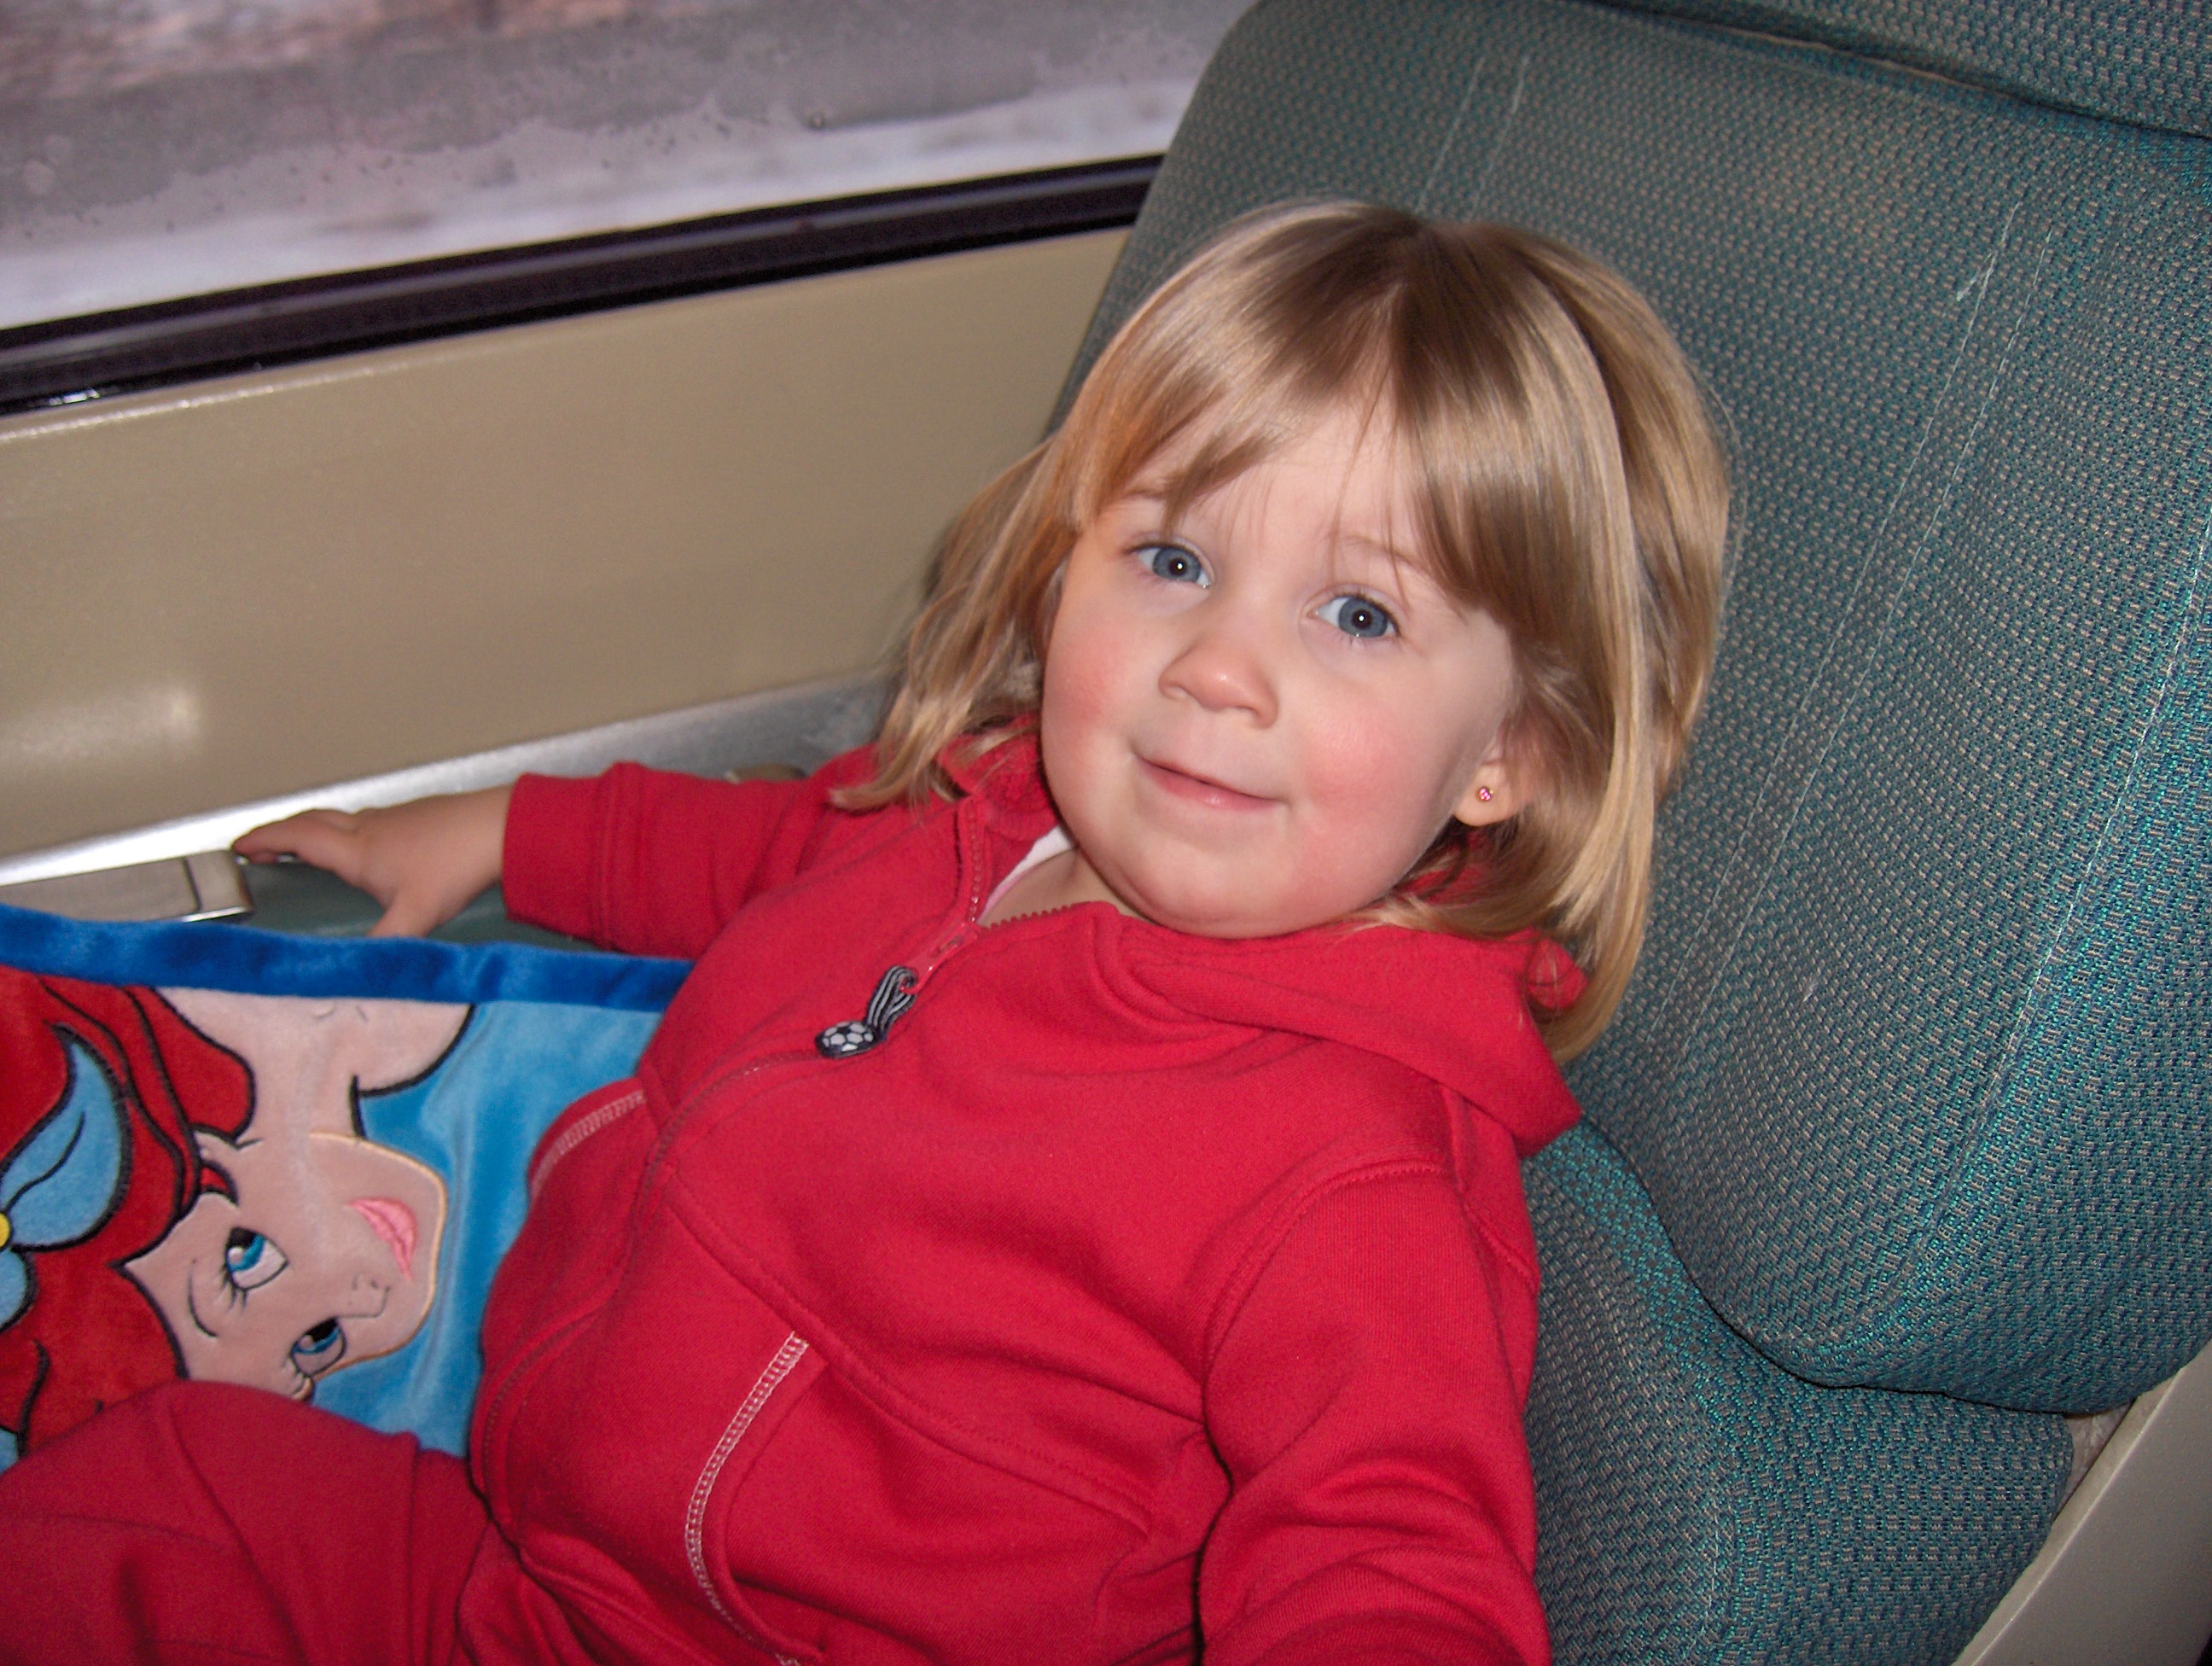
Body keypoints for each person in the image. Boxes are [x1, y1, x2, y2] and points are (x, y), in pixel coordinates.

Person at [0, 202, 1726, 1664]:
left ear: (1509, 757)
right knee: (166, 1488)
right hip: (529, 1552)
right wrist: (497, 831)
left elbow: (1390, 1556)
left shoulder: (1349, 1167)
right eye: (1172, 561)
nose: (1220, 667)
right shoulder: (982, 814)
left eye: (1356, 612)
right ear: (1063, 570)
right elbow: (754, 851)